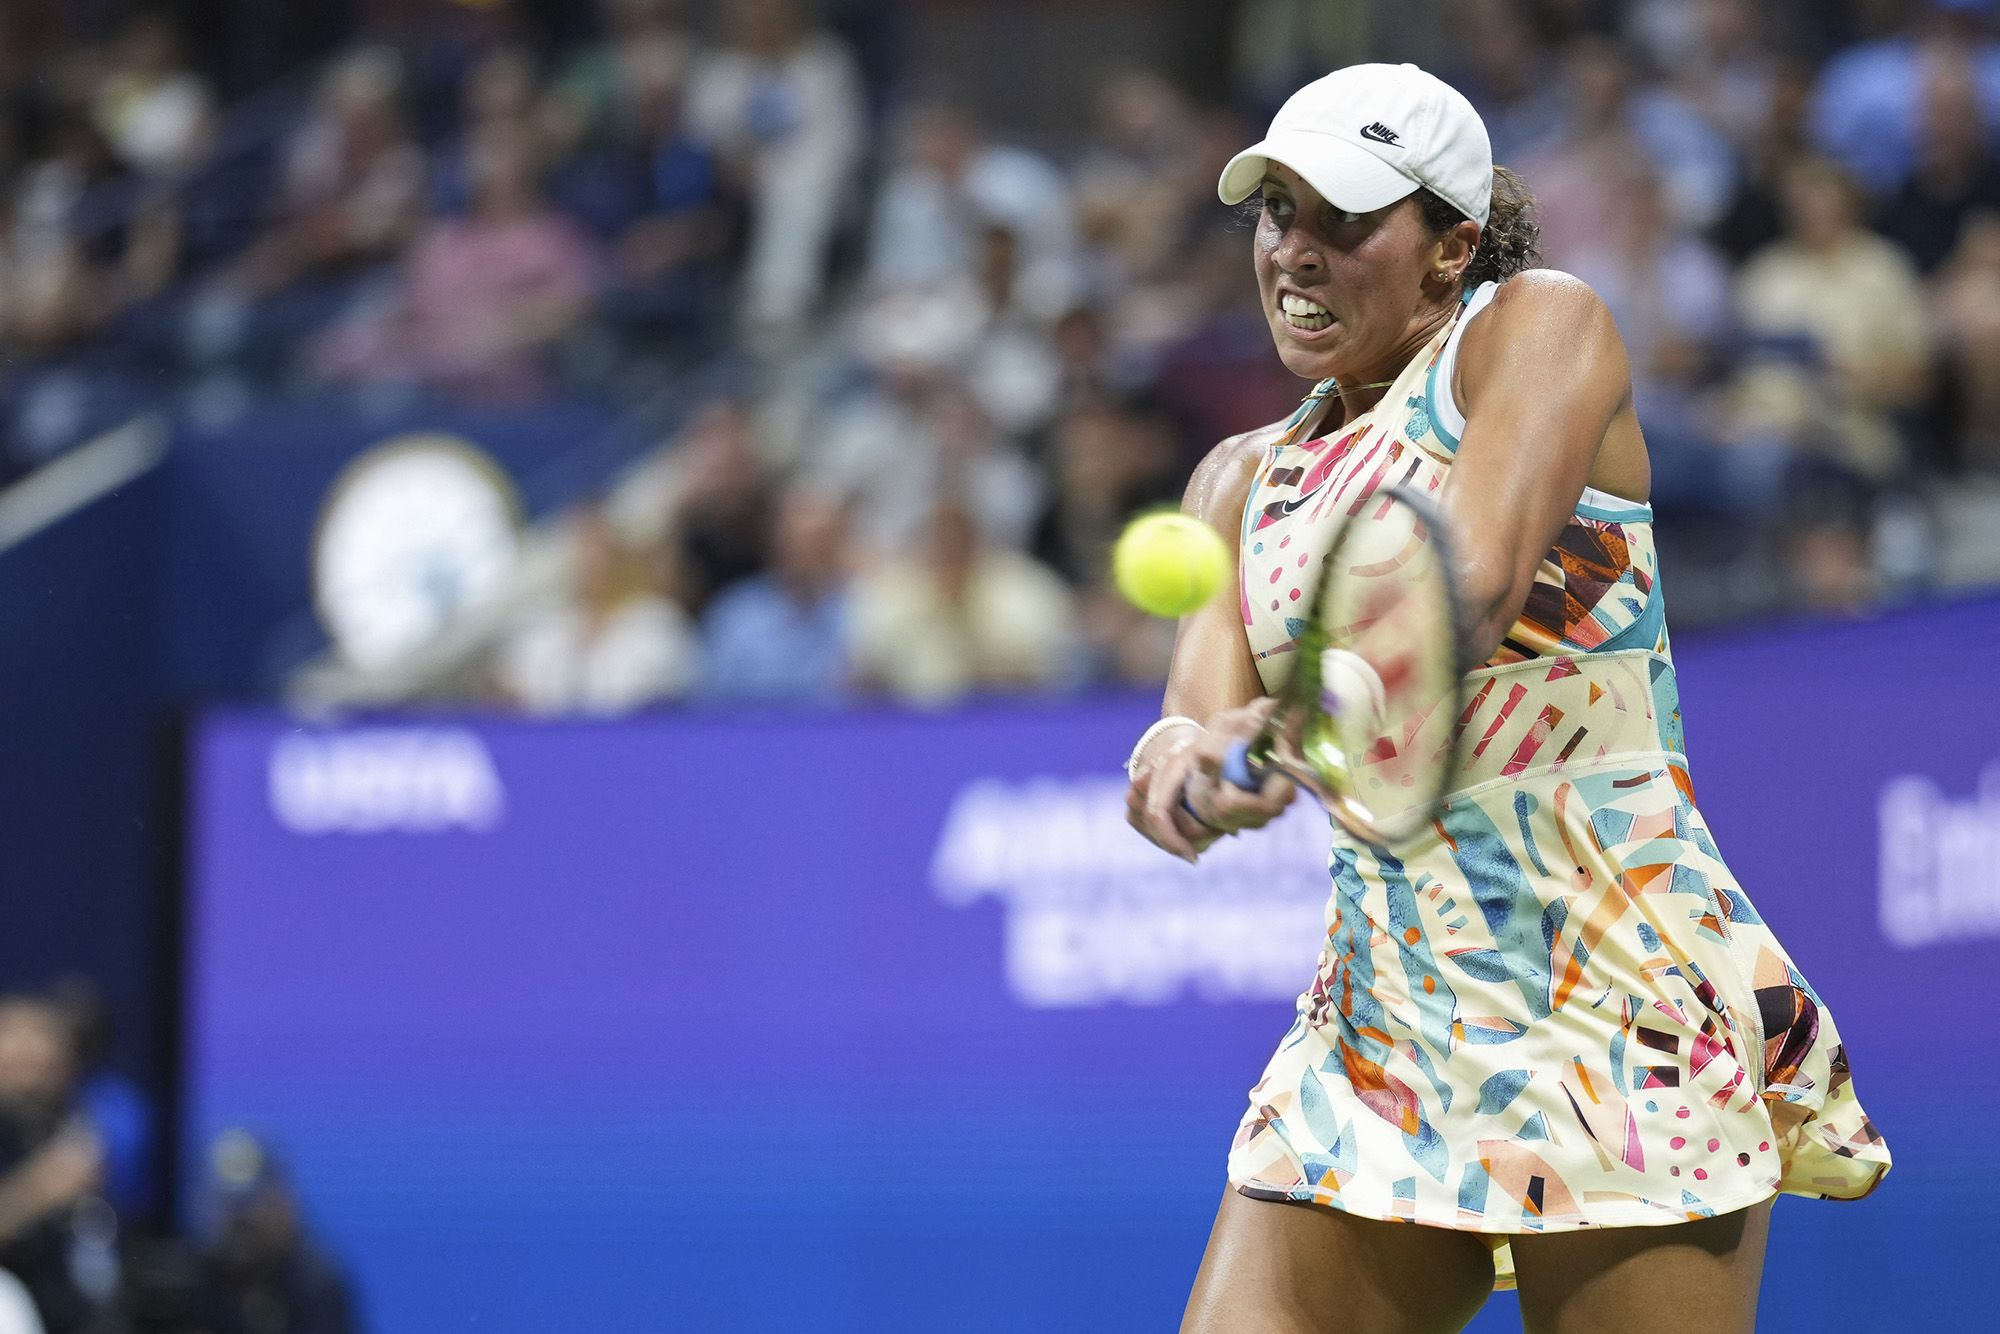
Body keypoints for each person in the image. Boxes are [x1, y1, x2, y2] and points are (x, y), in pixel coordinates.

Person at [1121, 64, 1889, 1333]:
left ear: (1449, 247)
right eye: (1275, 217)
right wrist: (1187, 774)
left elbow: (1464, 584)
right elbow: (1189, 726)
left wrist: (1299, 710)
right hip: (1376, 1027)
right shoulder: (1234, 478)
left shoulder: (1534, 327)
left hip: (1613, 996)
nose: (1293, 256)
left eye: (1342, 222)